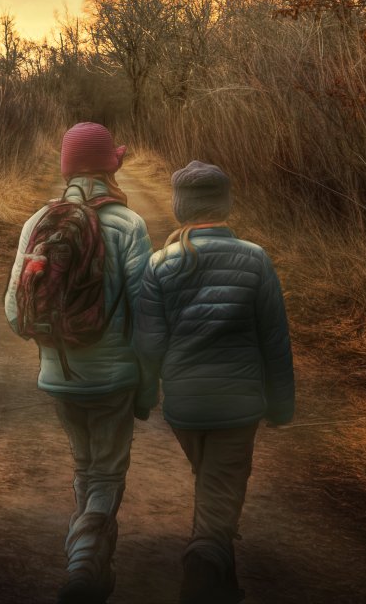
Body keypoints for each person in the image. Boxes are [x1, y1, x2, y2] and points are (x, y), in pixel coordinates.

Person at [5, 121, 157, 604]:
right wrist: (145, 384)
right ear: (111, 169)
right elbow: (147, 317)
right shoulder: (129, 226)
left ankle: (91, 561)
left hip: (59, 375)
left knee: (85, 464)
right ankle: (84, 561)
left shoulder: (38, 222)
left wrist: (56, 341)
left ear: (67, 169)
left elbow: (14, 313)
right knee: (108, 471)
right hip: (114, 379)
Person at [136, 161, 295, 604]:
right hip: (238, 406)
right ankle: (204, 568)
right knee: (219, 492)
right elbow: (274, 340)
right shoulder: (256, 258)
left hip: (184, 408)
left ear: (180, 207)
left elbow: (148, 344)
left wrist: (146, 396)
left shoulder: (159, 264)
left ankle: (218, 573)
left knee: (212, 484)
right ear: (225, 205)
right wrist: (281, 405)